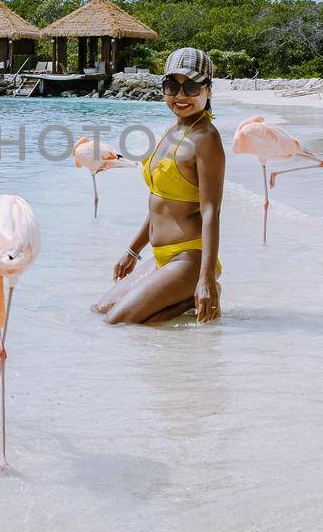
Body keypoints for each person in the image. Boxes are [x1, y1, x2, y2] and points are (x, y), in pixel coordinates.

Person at [92, 47, 224, 325]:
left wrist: (207, 278)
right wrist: (132, 250)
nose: (180, 95)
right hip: (162, 256)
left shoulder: (206, 139)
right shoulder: (173, 130)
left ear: (208, 90)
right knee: (101, 309)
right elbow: (160, 202)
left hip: (189, 258)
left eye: (191, 86)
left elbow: (211, 211)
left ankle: (190, 294)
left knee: (116, 323)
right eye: (171, 86)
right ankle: (180, 301)